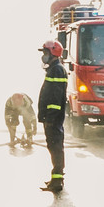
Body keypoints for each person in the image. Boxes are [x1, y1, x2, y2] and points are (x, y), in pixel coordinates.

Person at [37, 39, 68, 193]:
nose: (43, 56)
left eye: (45, 52)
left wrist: (50, 117)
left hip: (53, 119)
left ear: (53, 53)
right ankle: (56, 178)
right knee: (54, 147)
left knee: (55, 148)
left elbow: (55, 97)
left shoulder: (57, 70)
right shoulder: (54, 69)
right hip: (52, 118)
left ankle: (57, 181)